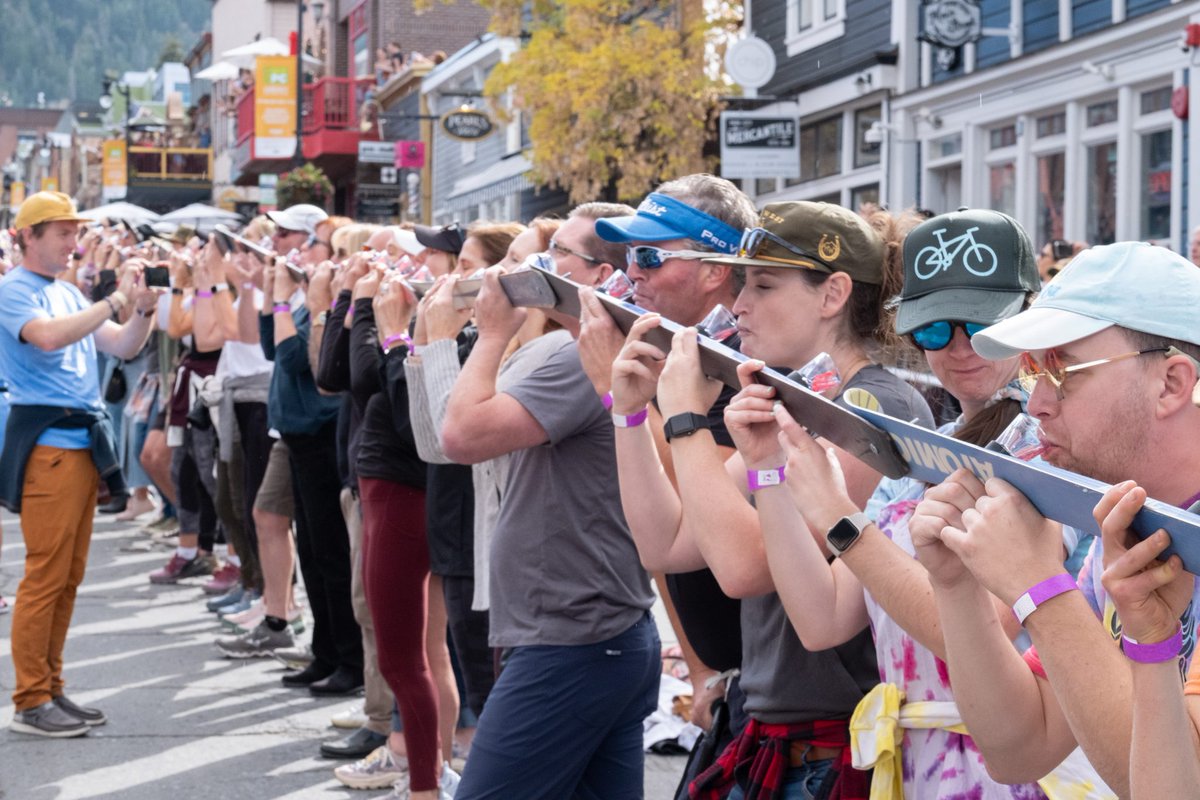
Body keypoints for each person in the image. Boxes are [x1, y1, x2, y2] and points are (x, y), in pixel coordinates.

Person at [725, 208, 1057, 797]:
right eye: (934, 328)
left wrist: (837, 517)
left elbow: (981, 634)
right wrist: (768, 472)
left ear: (1030, 317)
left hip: (1013, 773)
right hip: (914, 766)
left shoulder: (1045, 448)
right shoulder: (924, 457)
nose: (961, 346)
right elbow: (821, 619)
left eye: (985, 323)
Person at [608, 200, 934, 798]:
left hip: (834, 744)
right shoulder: (796, 401)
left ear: (833, 293)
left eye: (762, 284)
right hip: (774, 728)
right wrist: (628, 414)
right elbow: (668, 542)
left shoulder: (875, 407)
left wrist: (684, 420)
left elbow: (745, 568)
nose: (738, 305)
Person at [913, 241, 1200, 798]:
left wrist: (1038, 587)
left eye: (1063, 371)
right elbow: (1020, 746)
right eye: (1031, 370)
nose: (1037, 403)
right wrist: (957, 586)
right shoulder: (1131, 524)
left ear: (1171, 383)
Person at [440, 229, 659, 797]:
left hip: (573, 636)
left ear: (599, 277)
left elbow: (459, 436)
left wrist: (489, 334)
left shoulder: (570, 359)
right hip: (590, 631)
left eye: (556, 252)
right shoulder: (564, 351)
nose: (534, 263)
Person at [0, 192, 159, 737]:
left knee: (66, 577)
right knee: (46, 576)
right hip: (49, 442)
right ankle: (30, 698)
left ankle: (50, 689)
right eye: (62, 233)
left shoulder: (67, 291)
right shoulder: (14, 291)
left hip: (77, 441)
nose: (73, 243)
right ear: (29, 237)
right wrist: (115, 303)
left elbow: (122, 345)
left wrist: (142, 308)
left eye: (74, 232)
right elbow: (45, 339)